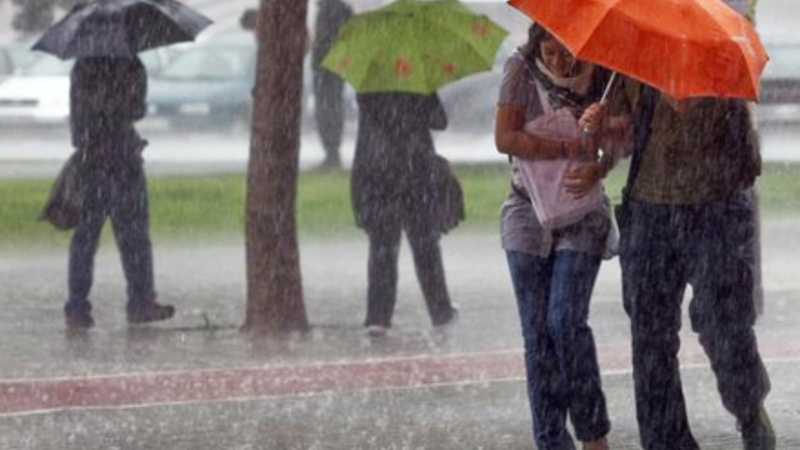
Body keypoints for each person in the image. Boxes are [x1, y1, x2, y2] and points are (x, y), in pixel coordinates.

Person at [617, 80, 775, 449]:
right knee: (650, 337)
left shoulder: (717, 65)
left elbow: (746, 158)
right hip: (649, 210)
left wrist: (702, 98)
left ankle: (748, 408)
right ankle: (666, 441)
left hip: (713, 207)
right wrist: (601, 128)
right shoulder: (633, 65)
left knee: (724, 325)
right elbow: (619, 140)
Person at [494, 23, 629, 450]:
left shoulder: (606, 75)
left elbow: (621, 140)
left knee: (565, 322)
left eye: (567, 53)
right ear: (537, 44)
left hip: (581, 211)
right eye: (549, 52)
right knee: (537, 336)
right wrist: (565, 147)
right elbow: (505, 137)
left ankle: (592, 433)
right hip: (526, 210)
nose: (559, 62)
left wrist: (600, 150)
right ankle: (551, 440)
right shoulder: (520, 69)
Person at [64, 56, 174, 329]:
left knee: (86, 238)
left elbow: (79, 116)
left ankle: (77, 307)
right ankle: (140, 302)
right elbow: (136, 110)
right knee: (133, 236)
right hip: (121, 159)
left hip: (91, 159)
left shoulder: (82, 66)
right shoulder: (130, 64)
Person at [352, 92, 462, 337]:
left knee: (382, 248)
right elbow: (440, 121)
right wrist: (423, 102)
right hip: (416, 173)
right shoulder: (417, 84)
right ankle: (440, 311)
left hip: (379, 174)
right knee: (425, 246)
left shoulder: (369, 90)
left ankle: (378, 317)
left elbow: (365, 135)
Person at [311, 0, 353, 169]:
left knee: (327, 110)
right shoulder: (339, 9)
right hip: (333, 68)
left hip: (327, 69)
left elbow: (325, 39)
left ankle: (331, 151)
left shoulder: (330, 10)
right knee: (331, 108)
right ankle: (331, 151)